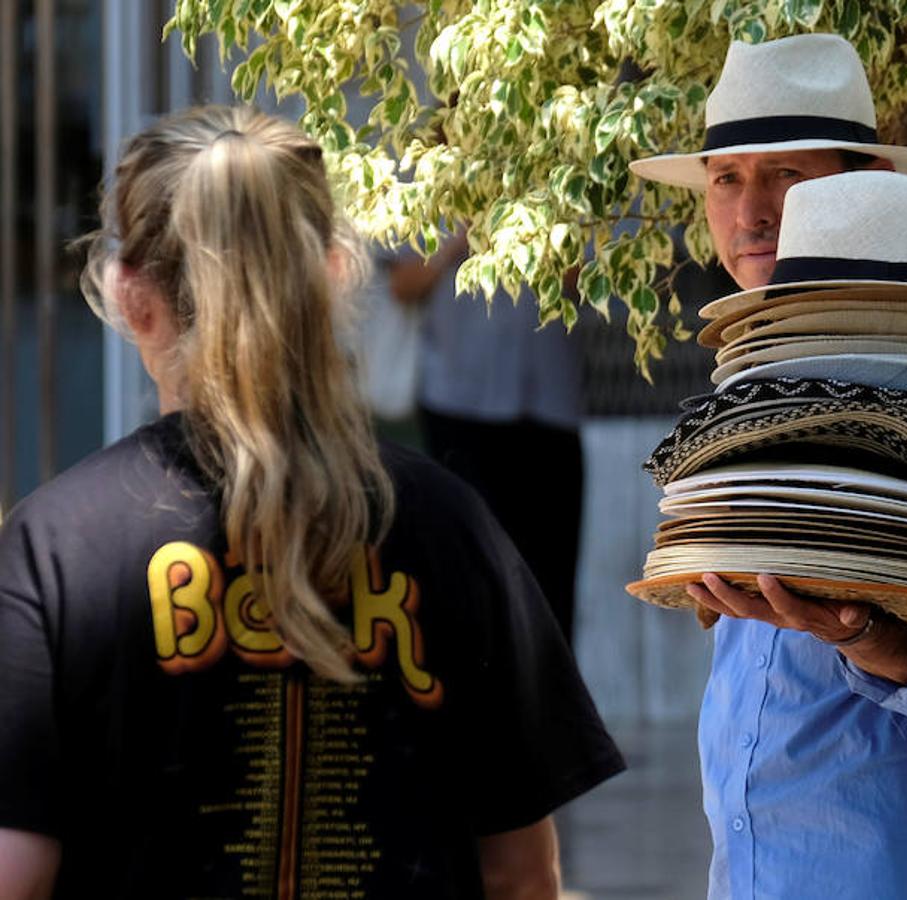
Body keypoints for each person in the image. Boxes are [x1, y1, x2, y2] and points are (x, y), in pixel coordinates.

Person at [0, 105, 624, 899]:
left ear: (129, 294)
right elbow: (521, 875)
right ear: (332, 271)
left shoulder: (55, 545)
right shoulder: (451, 525)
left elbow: (14, 874)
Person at [631, 34, 907, 897]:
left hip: (889, 865)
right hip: (754, 863)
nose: (749, 210)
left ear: (860, 184)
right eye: (726, 176)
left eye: (784, 175)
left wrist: (861, 632)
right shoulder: (750, 385)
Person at [386, 241, 585, 643]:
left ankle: (549, 703)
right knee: (465, 577)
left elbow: (598, 278)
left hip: (550, 400)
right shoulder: (431, 183)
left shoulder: (569, 184)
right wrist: (459, 241)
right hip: (458, 400)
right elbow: (400, 283)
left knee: (549, 587)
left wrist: (533, 241)